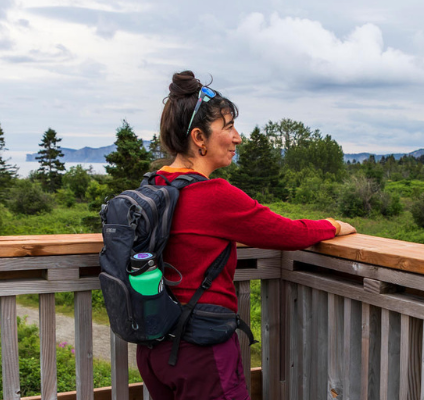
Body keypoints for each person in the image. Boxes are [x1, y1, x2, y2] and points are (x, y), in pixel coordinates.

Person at [136, 70, 356, 399]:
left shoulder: (154, 185)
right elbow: (287, 233)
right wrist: (333, 226)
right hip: (200, 349)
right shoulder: (213, 195)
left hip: (153, 349)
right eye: (228, 127)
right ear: (199, 138)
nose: (237, 137)